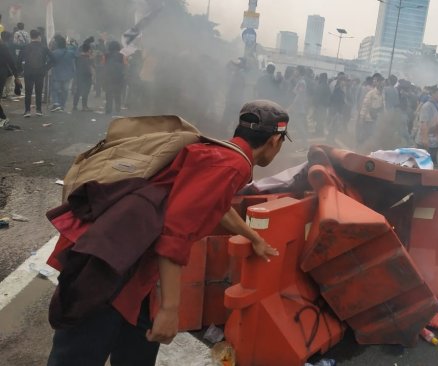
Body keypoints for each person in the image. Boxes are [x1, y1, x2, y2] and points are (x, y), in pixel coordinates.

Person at [46, 100, 288, 365]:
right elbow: (174, 233)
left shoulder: (219, 152)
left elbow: (216, 206)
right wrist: (171, 309)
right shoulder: (233, 165)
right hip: (112, 259)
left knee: (137, 349)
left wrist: (254, 238)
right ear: (275, 140)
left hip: (130, 257)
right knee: (78, 353)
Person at [21, 29, 53, 118]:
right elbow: (53, 59)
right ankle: (39, 110)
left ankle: (27, 111)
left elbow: (19, 60)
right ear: (39, 37)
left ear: (30, 36)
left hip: (28, 72)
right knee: (39, 91)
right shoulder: (44, 47)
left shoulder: (25, 47)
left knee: (28, 92)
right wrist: (46, 68)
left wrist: (22, 69)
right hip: (40, 72)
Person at [413, 86, 438, 167]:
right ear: (433, 93)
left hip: (434, 142)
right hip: (425, 142)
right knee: (420, 165)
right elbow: (424, 124)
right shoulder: (427, 106)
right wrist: (425, 141)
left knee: (429, 165)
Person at [50, 35, 76, 112]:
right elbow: (77, 52)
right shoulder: (70, 53)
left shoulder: (54, 53)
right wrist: (73, 44)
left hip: (57, 74)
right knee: (65, 90)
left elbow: (49, 61)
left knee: (55, 90)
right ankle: (62, 105)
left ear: (57, 44)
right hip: (68, 75)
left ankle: (56, 103)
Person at [0, 31, 20, 129]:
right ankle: (2, 117)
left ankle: (3, 117)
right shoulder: (4, 46)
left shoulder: (3, 47)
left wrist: (16, 76)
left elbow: (10, 62)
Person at [103, 41, 125, 115]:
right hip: (119, 77)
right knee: (118, 93)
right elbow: (125, 65)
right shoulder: (121, 55)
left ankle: (108, 109)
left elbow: (103, 64)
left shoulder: (106, 55)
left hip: (108, 77)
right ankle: (117, 108)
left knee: (109, 93)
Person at [72, 42, 93, 111]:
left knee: (78, 90)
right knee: (85, 91)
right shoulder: (86, 58)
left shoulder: (78, 57)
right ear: (88, 50)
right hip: (86, 76)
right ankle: (84, 106)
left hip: (79, 75)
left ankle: (75, 106)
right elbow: (89, 68)